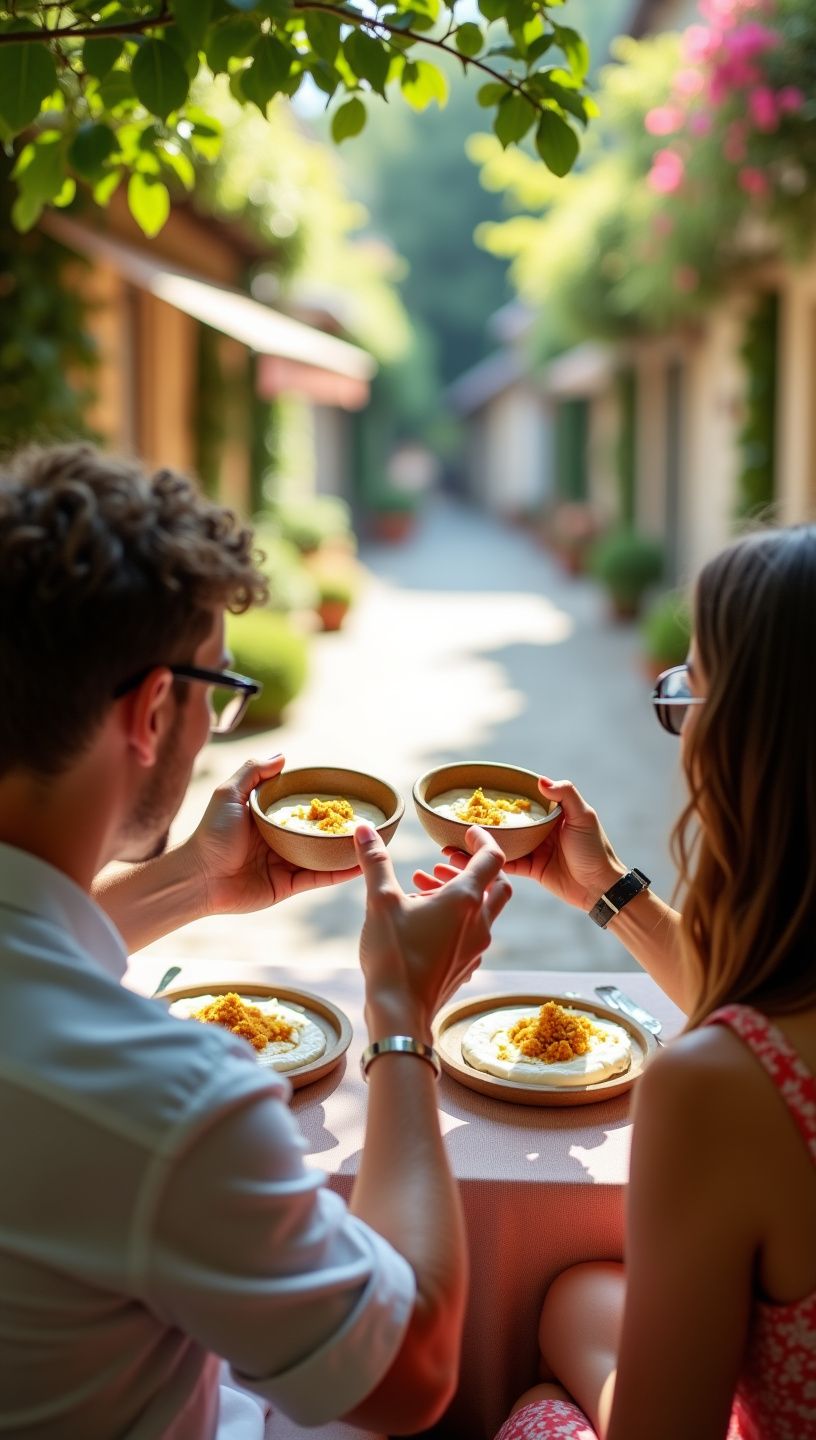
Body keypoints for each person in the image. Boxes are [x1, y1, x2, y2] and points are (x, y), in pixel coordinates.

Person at [0, 442, 512, 1439]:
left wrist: (191, 880)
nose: (211, 731)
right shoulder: (168, 1100)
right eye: (217, 693)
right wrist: (402, 1020)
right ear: (154, 709)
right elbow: (413, 1375)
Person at [429, 524, 816, 1440]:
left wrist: (399, 1027)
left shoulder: (721, 1091)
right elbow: (764, 1002)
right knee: (575, 1295)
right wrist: (608, 890)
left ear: (743, 748)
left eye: (687, 696)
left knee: (534, 1404)